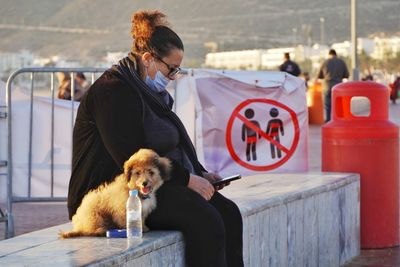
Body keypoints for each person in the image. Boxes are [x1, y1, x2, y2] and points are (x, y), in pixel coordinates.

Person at [66, 10, 243, 267]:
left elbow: (169, 145)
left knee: (228, 213)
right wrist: (186, 179)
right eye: (171, 69)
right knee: (205, 219)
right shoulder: (112, 91)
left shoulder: (149, 94)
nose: (172, 78)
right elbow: (132, 158)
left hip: (151, 185)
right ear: (148, 59)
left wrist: (200, 174)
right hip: (110, 197)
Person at [317, 49, 349, 122]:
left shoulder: (325, 62)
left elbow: (320, 76)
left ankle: (328, 121)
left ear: (329, 54)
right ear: (336, 54)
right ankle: (339, 120)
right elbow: (346, 75)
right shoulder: (341, 62)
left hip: (327, 86)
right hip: (338, 87)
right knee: (338, 105)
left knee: (327, 105)